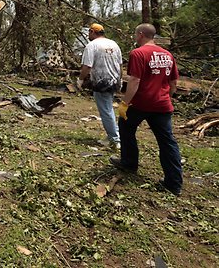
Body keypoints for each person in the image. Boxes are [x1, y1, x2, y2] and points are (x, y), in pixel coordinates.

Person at [110, 23, 183, 196]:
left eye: (136, 35)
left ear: (141, 34)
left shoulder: (138, 53)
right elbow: (173, 83)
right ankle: (174, 183)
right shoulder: (167, 54)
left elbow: (134, 81)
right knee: (167, 142)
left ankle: (129, 163)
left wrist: (125, 103)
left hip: (141, 104)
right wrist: (167, 97)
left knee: (126, 127)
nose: (135, 38)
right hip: (162, 105)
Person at [78, 23, 123, 149]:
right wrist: (120, 79)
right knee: (108, 108)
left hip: (101, 82)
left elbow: (87, 66)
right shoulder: (114, 44)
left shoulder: (91, 46)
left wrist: (80, 80)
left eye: (89, 32)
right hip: (114, 80)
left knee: (106, 110)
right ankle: (114, 135)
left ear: (93, 32)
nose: (88, 35)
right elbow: (120, 65)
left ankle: (115, 139)